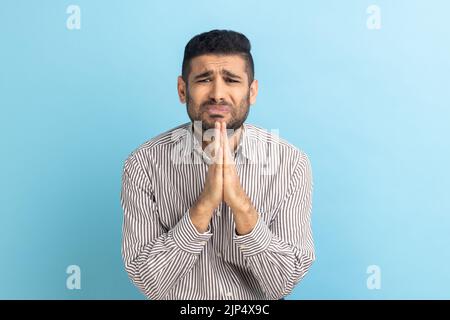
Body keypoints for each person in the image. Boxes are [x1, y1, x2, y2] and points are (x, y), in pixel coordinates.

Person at [120, 29, 315, 300]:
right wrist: (204, 204)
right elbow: (149, 282)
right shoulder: (143, 165)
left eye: (232, 80)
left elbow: (282, 283)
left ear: (252, 91)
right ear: (182, 89)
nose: (218, 94)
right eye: (204, 79)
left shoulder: (291, 164)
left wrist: (241, 205)